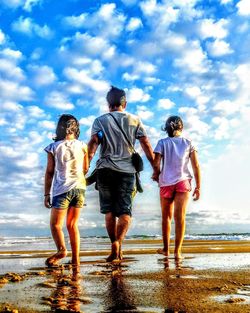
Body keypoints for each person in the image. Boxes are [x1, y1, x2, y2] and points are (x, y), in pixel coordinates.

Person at [88, 86, 154, 262]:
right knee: (125, 211)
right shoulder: (135, 120)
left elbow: (94, 142)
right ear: (125, 103)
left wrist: (86, 163)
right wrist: (155, 166)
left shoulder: (100, 121)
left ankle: (114, 246)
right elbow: (146, 143)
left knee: (109, 211)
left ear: (109, 104)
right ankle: (119, 243)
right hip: (127, 171)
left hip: (105, 170)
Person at [152, 115, 201, 260]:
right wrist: (198, 186)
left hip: (166, 182)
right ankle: (177, 252)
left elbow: (156, 163)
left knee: (166, 218)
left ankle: (166, 249)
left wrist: (156, 174)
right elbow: (196, 165)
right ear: (182, 127)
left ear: (166, 128)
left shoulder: (162, 142)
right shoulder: (188, 143)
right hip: (183, 181)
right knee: (180, 218)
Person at [44, 114, 89, 267]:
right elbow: (85, 168)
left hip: (61, 189)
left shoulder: (53, 147)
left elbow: (50, 172)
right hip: (79, 188)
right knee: (72, 225)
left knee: (56, 225)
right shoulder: (83, 146)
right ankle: (76, 260)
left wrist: (46, 194)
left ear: (59, 128)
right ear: (76, 129)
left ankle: (62, 250)